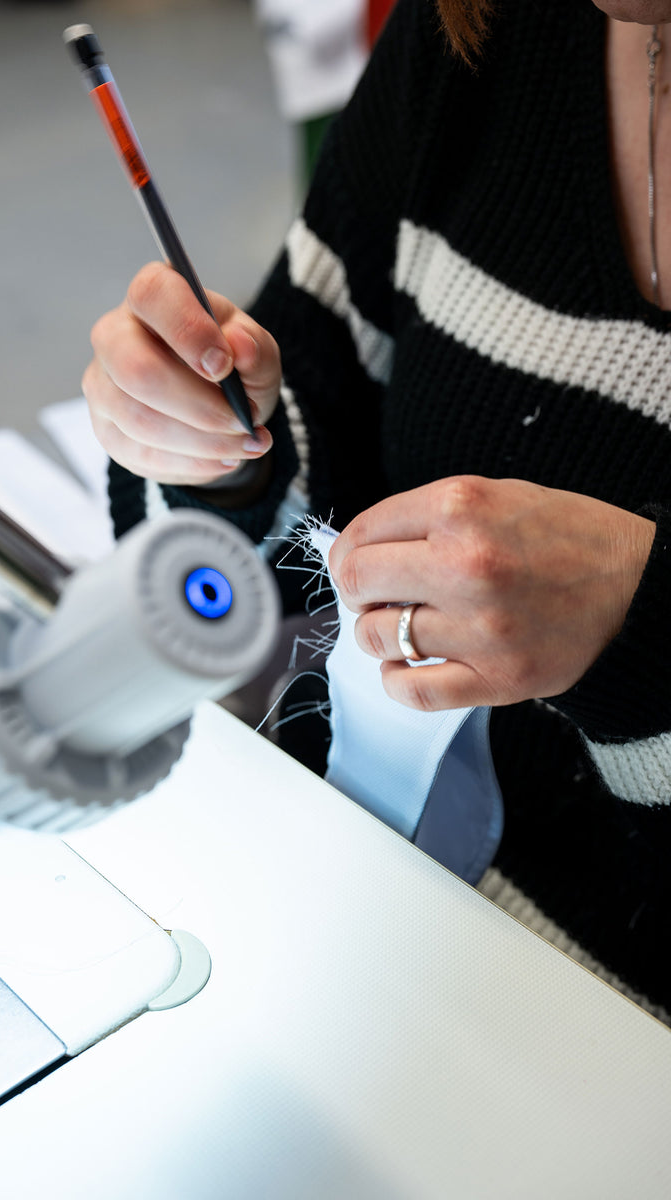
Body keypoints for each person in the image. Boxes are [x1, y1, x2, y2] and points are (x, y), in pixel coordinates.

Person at [82, 0, 671, 1018]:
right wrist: (212, 458)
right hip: (344, 908)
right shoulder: (479, 36)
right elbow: (248, 554)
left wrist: (642, 621)